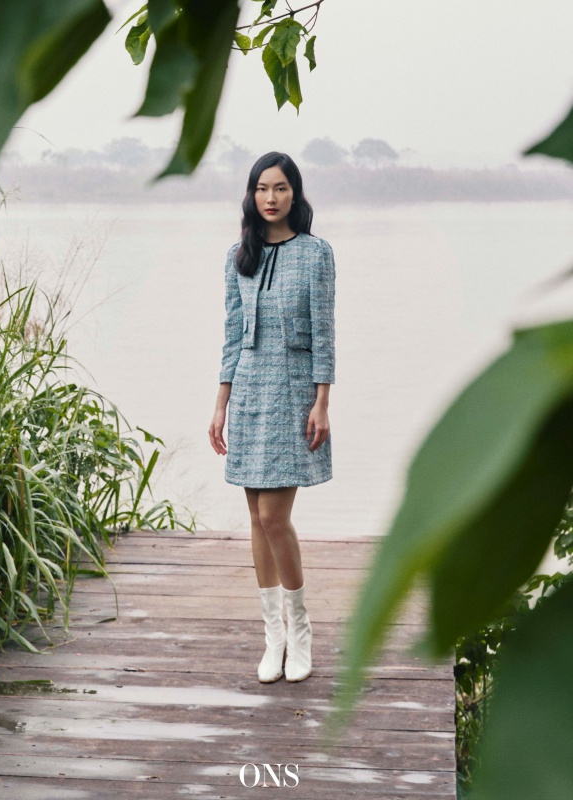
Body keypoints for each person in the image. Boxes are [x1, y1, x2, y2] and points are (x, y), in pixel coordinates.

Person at [209, 151, 336, 684]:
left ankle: (300, 629)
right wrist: (221, 403)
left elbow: (325, 332)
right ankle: (273, 638)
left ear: (295, 194)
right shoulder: (239, 256)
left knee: (273, 517)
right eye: (262, 188)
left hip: (293, 391)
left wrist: (322, 401)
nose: (270, 197)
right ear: (251, 195)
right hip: (249, 392)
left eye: (280, 187)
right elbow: (232, 335)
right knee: (255, 518)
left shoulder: (316, 253)